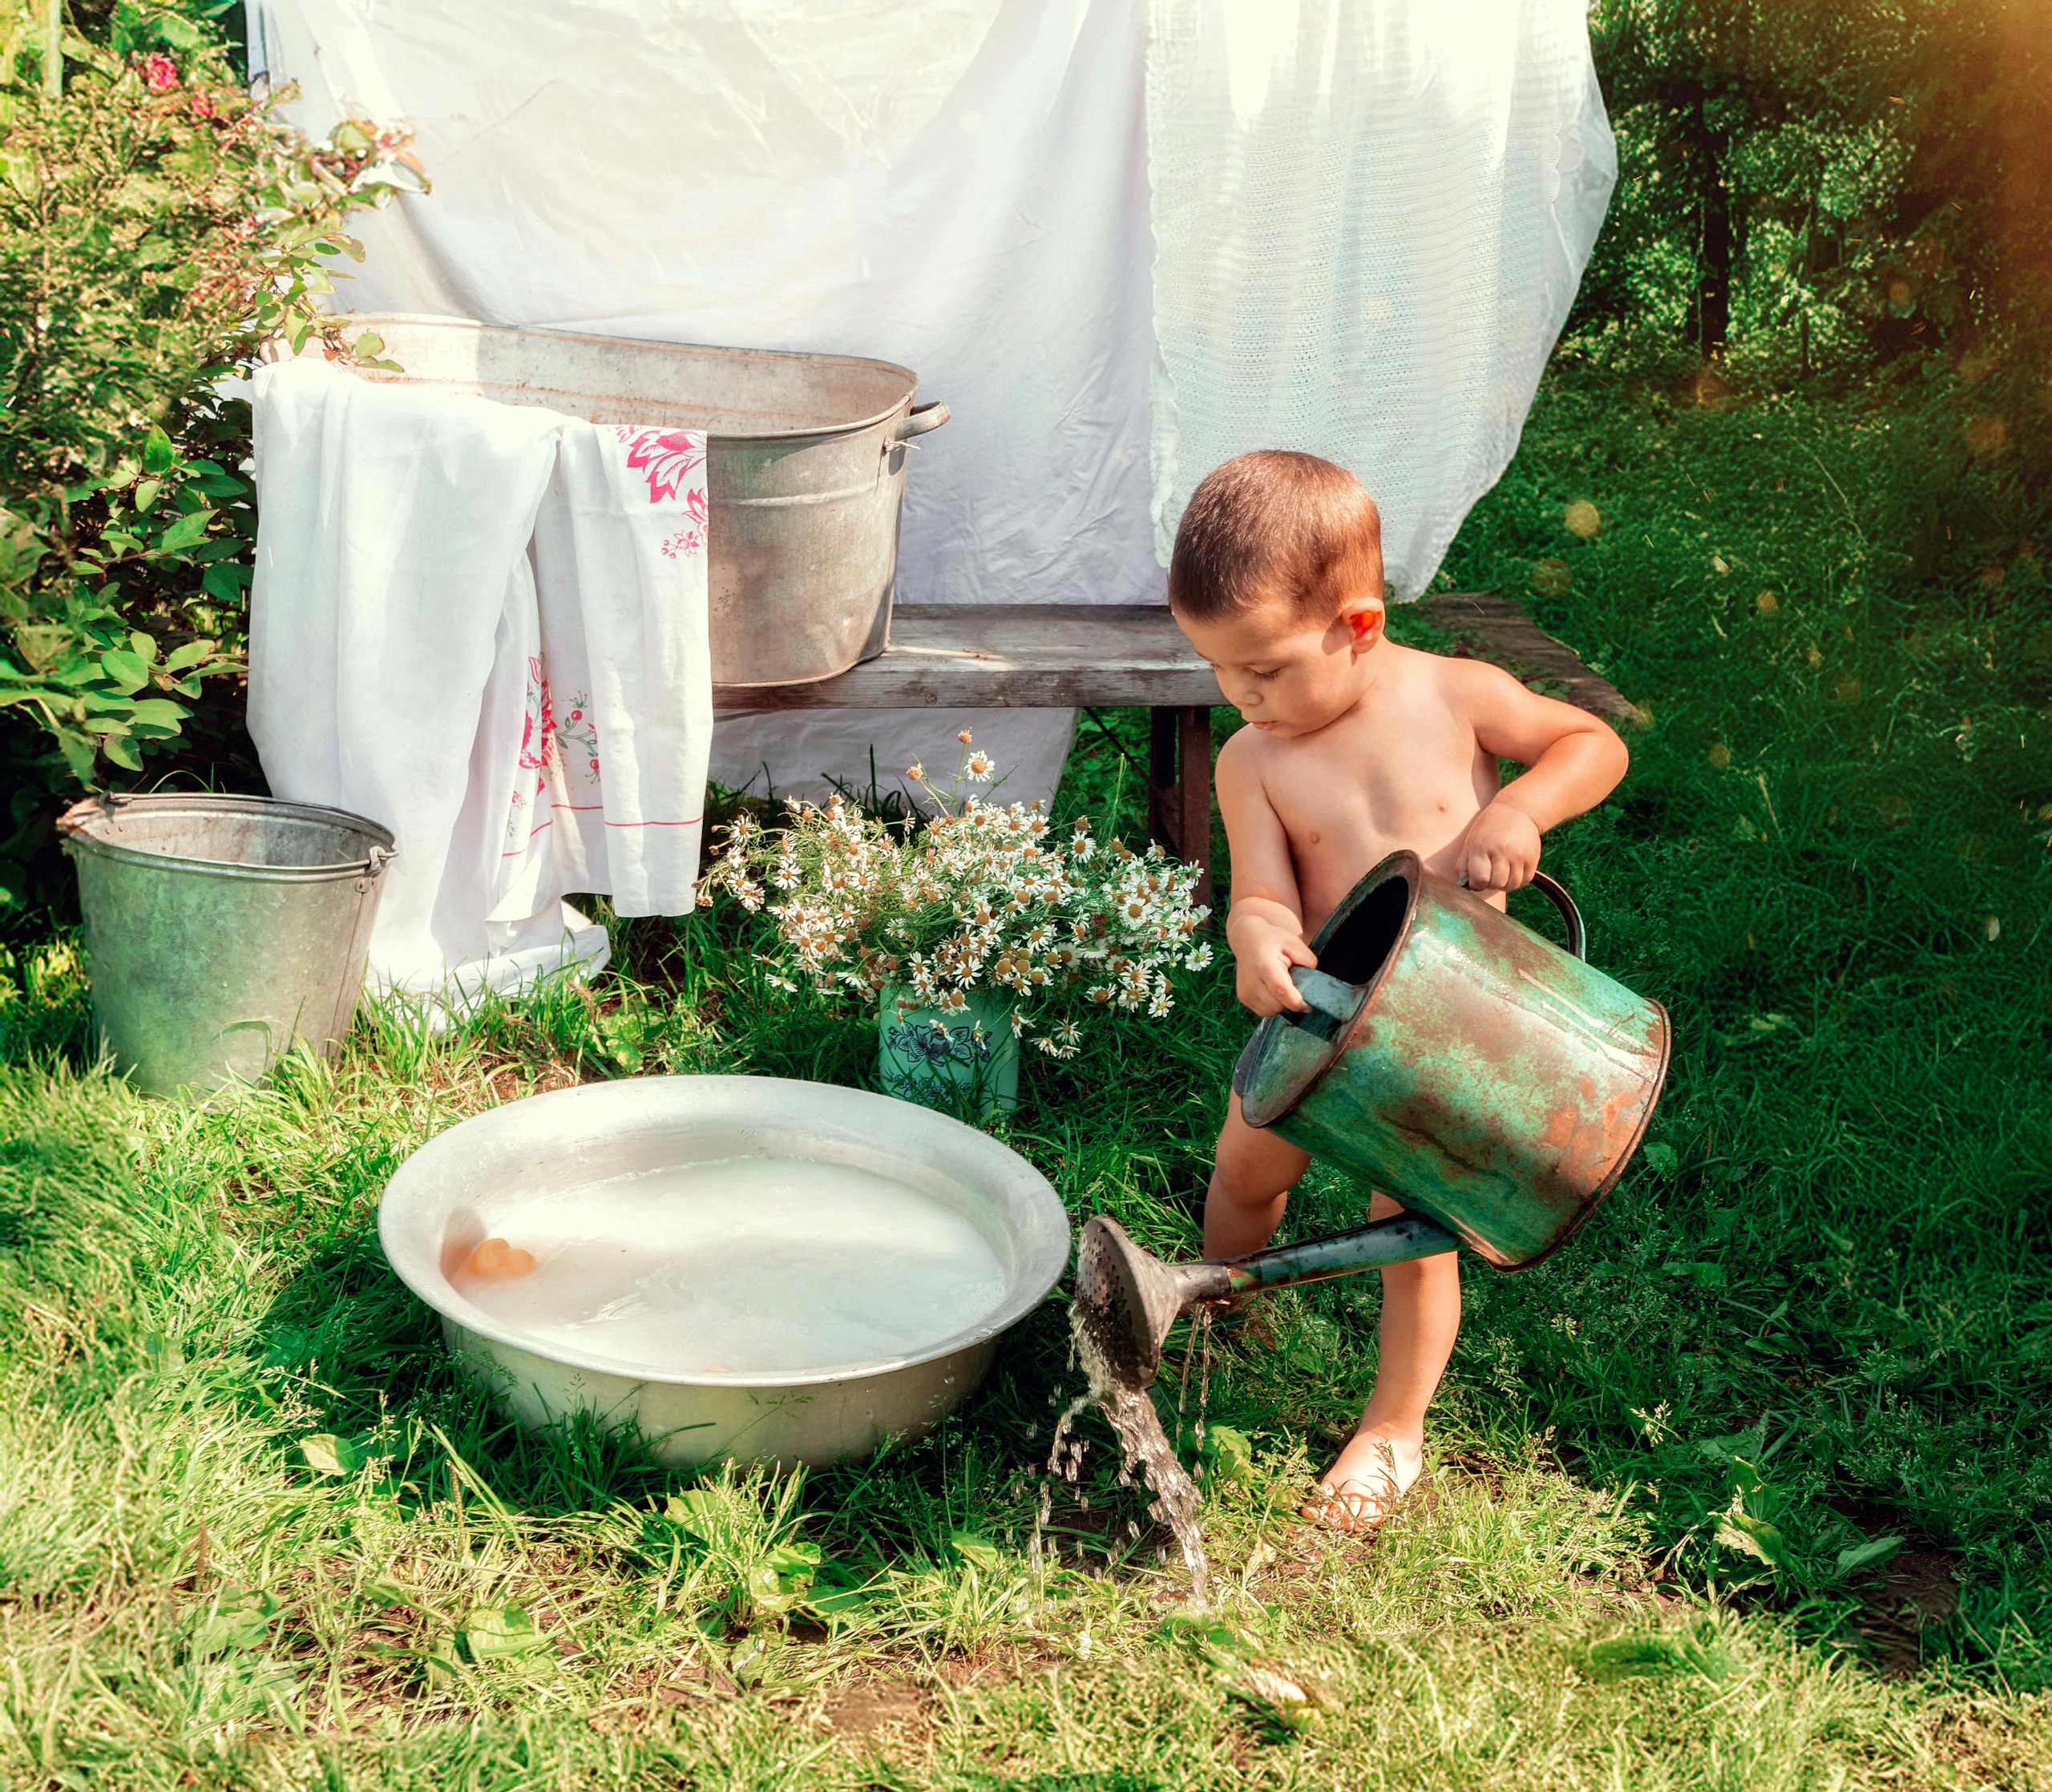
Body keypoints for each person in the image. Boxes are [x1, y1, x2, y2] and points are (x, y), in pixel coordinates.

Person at [1168, 450, 1630, 1532]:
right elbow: (1261, 895)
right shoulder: (1254, 762)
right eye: (1220, 670)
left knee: (1414, 1233)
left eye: (1266, 669)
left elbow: (1591, 742)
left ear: (1359, 625)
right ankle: (1227, 1301)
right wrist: (1259, 940)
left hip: (1448, 1034)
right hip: (1320, 1022)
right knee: (1244, 1173)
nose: (1242, 694)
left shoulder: (1456, 698)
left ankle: (1392, 1429)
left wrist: (1518, 815)